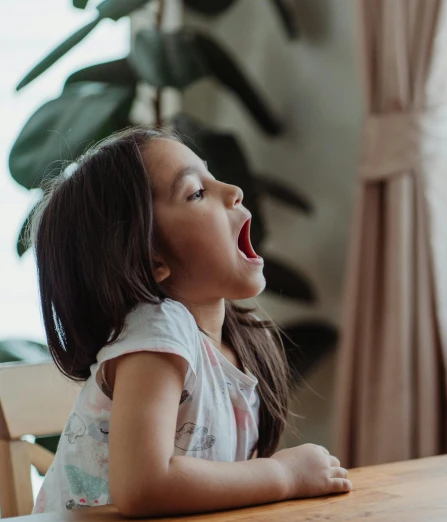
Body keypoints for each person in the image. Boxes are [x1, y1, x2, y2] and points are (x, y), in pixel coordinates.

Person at [29, 128, 351, 516]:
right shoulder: (158, 331)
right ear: (152, 261)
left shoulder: (235, 344)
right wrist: (283, 476)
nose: (234, 190)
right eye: (196, 192)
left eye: (212, 176)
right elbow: (143, 487)